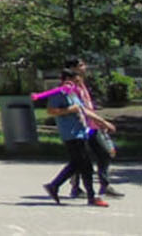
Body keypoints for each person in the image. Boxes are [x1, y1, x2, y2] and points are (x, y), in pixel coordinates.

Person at [43, 69, 107, 207]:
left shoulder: (72, 93)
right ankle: (88, 196)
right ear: (66, 79)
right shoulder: (58, 93)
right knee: (83, 164)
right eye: (75, 81)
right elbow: (50, 111)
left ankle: (56, 186)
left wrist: (102, 122)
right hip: (71, 134)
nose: (78, 84)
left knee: (80, 164)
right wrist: (69, 110)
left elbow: (83, 109)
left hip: (81, 132)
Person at [65, 58, 121, 199]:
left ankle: (104, 184)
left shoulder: (81, 83)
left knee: (105, 153)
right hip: (82, 127)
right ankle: (76, 187)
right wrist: (103, 122)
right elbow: (81, 109)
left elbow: (87, 105)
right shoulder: (70, 86)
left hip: (92, 125)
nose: (85, 67)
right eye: (81, 65)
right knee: (82, 158)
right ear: (73, 68)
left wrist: (98, 122)